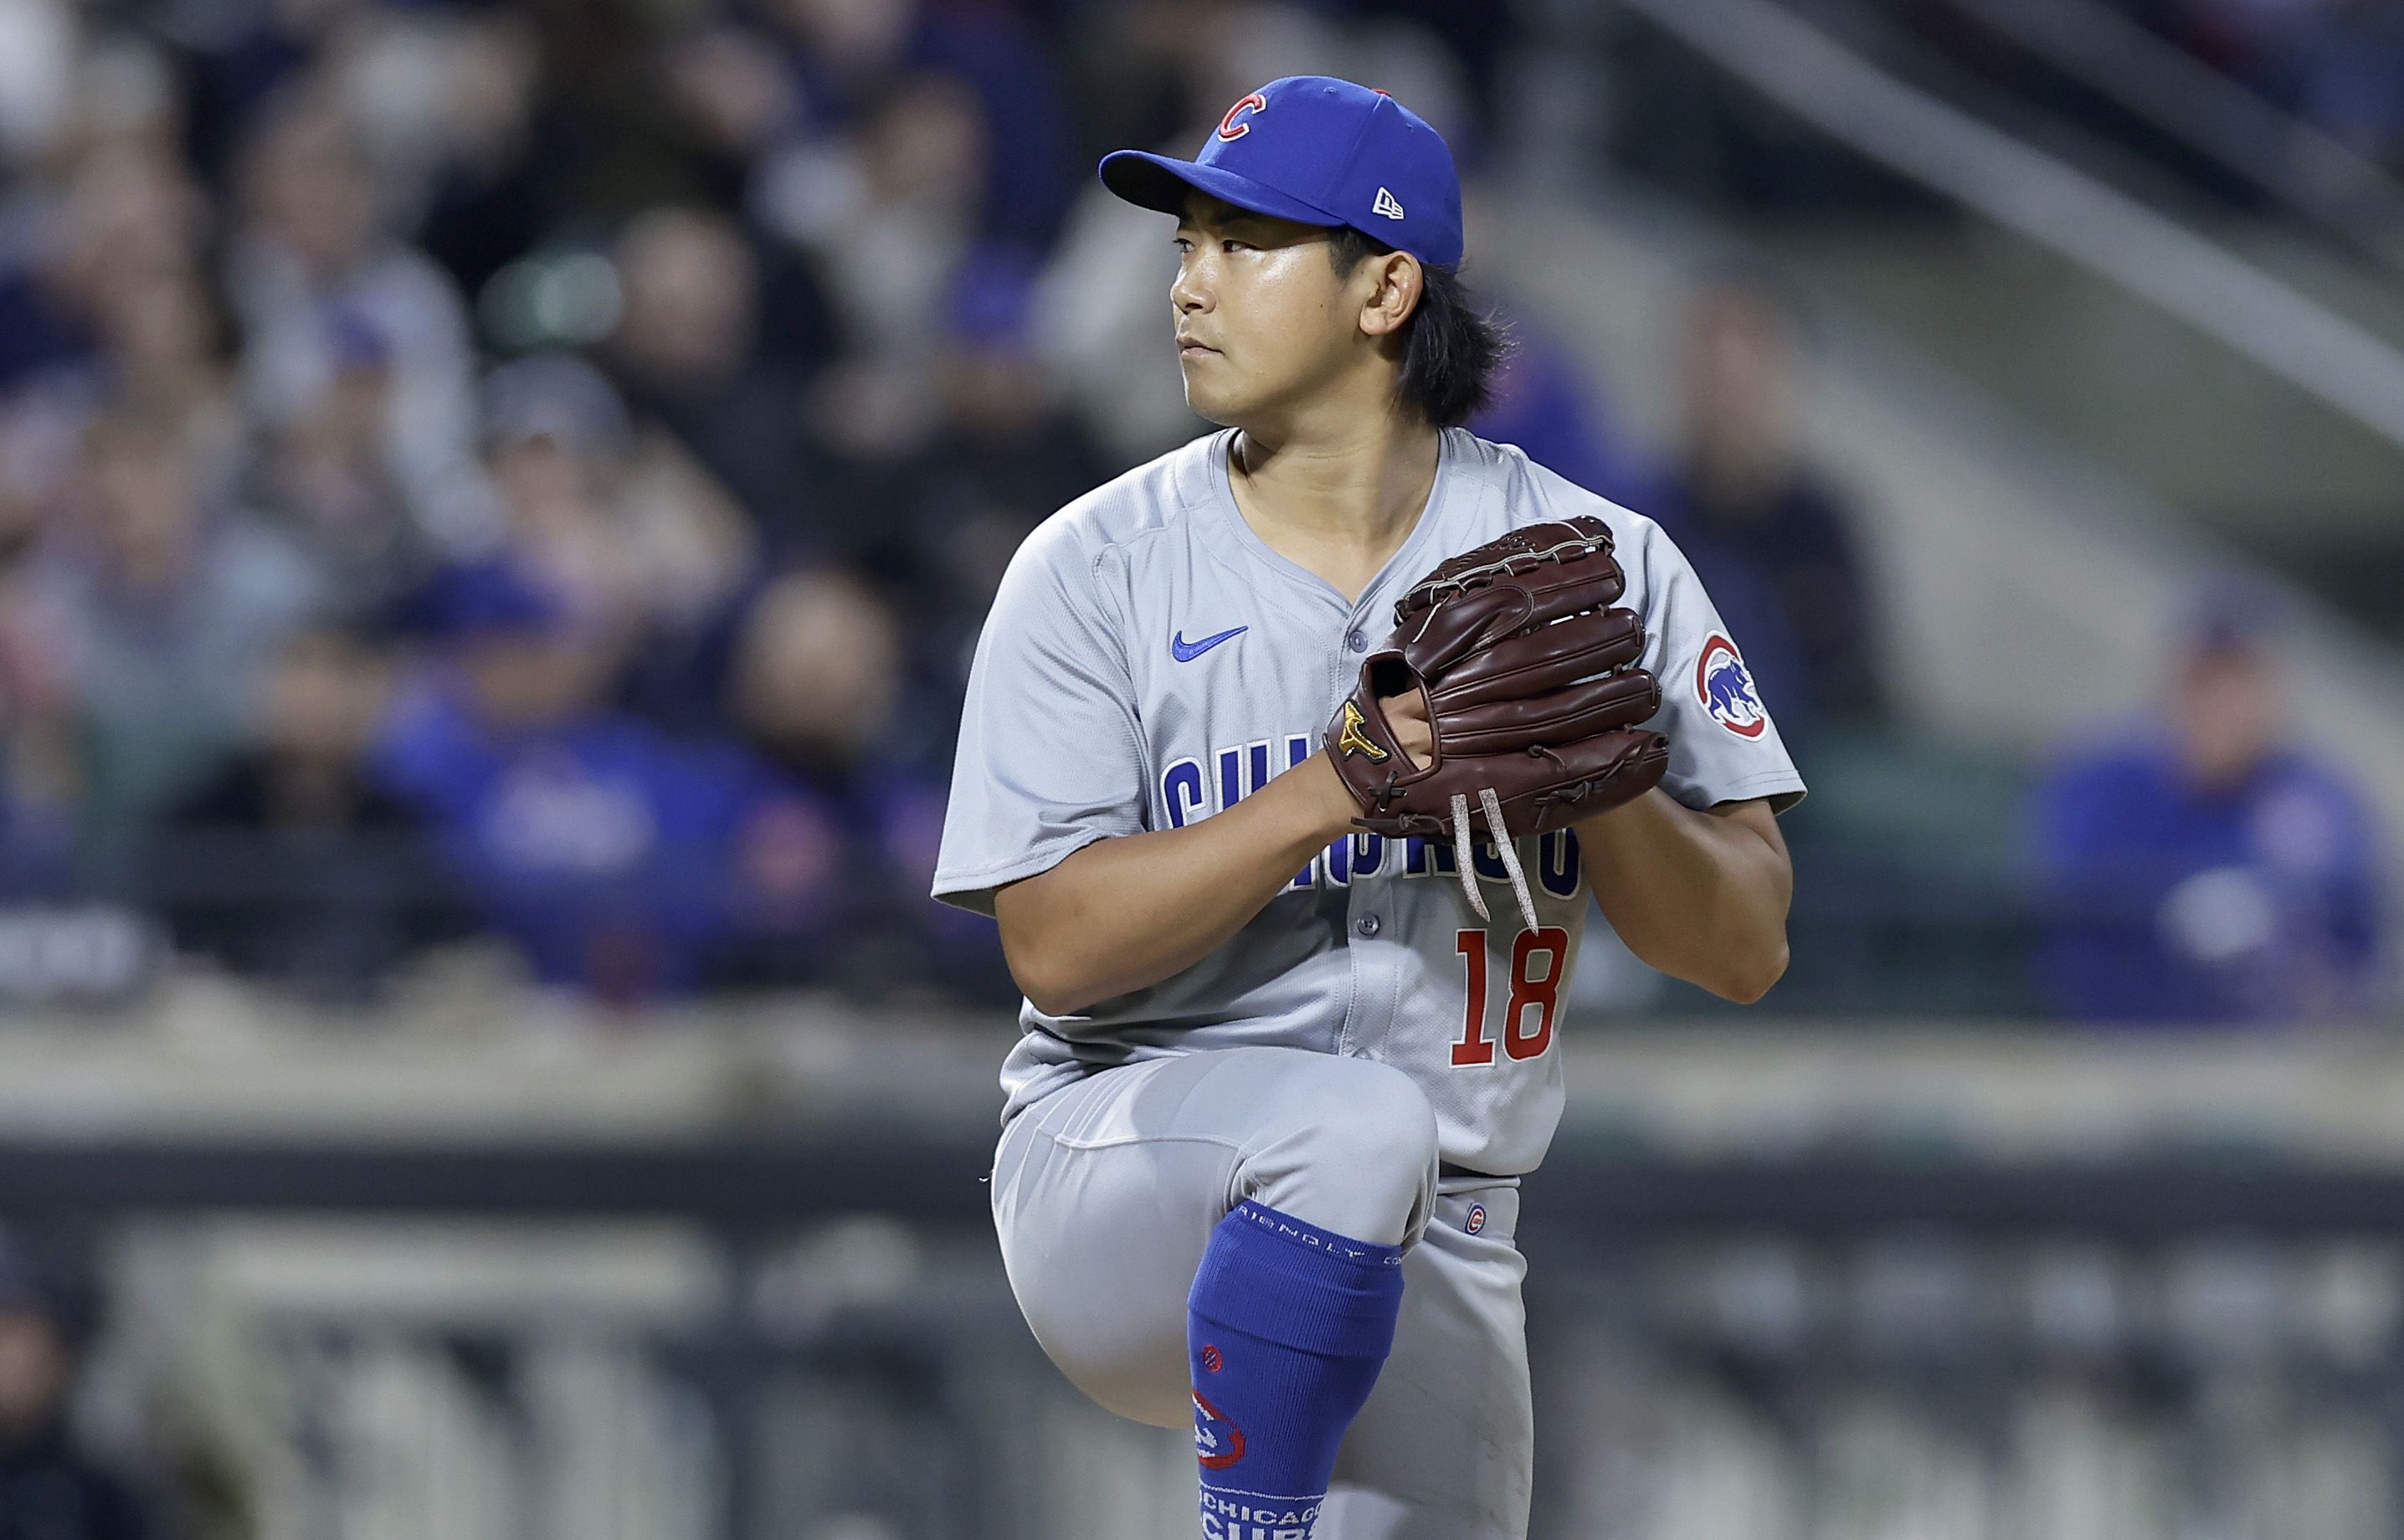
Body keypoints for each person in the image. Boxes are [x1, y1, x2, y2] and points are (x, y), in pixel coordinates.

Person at [934, 77, 1803, 1540]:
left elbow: (1744, 949)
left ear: (1385, 289)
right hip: (1122, 1159)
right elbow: (1055, 949)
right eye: (1186, 240)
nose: (1189, 283)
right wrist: (1332, 786)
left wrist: (1611, 785)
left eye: (1245, 242)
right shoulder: (1094, 569)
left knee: (1379, 1151)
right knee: (1349, 1126)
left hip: (1443, 1228)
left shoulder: (1599, 567)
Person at [2028, 598, 2385, 1024]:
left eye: (2240, 682)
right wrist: (2169, 903)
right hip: (2121, 1048)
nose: (2222, 704)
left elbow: (2357, 931)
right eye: (2204, 683)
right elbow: (2058, 908)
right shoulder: (2101, 783)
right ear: (2169, 688)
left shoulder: (2316, 794)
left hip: (2279, 1055)